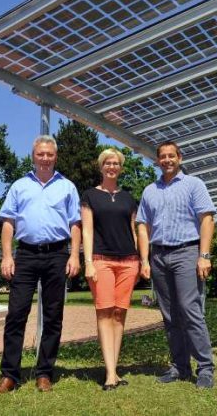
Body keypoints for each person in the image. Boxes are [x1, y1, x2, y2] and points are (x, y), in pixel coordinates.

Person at [0, 135, 81, 394]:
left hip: (57, 254)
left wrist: (75, 256)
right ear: (33, 156)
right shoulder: (19, 186)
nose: (45, 158)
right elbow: (7, 223)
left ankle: (44, 373)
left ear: (55, 157)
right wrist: (7, 256)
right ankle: (10, 375)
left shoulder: (67, 187)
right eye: (40, 154)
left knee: (53, 316)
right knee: (16, 314)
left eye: (49, 154)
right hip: (26, 255)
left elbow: (75, 224)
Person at [136, 140, 216, 389]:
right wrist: (144, 259)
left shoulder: (194, 185)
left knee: (190, 311)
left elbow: (207, 219)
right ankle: (180, 367)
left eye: (172, 155)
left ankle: (205, 368)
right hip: (158, 256)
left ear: (179, 158)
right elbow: (142, 225)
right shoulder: (150, 190)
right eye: (163, 156)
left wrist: (204, 255)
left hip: (186, 252)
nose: (167, 160)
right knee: (169, 315)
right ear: (157, 161)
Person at [81, 148, 140, 390]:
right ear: (101, 166)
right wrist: (88, 263)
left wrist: (139, 261)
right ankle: (110, 374)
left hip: (128, 262)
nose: (112, 167)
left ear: (121, 168)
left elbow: (134, 231)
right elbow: (86, 230)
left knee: (120, 314)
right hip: (101, 260)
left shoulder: (128, 197)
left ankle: (114, 370)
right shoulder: (90, 196)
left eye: (116, 163)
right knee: (104, 313)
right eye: (108, 163)